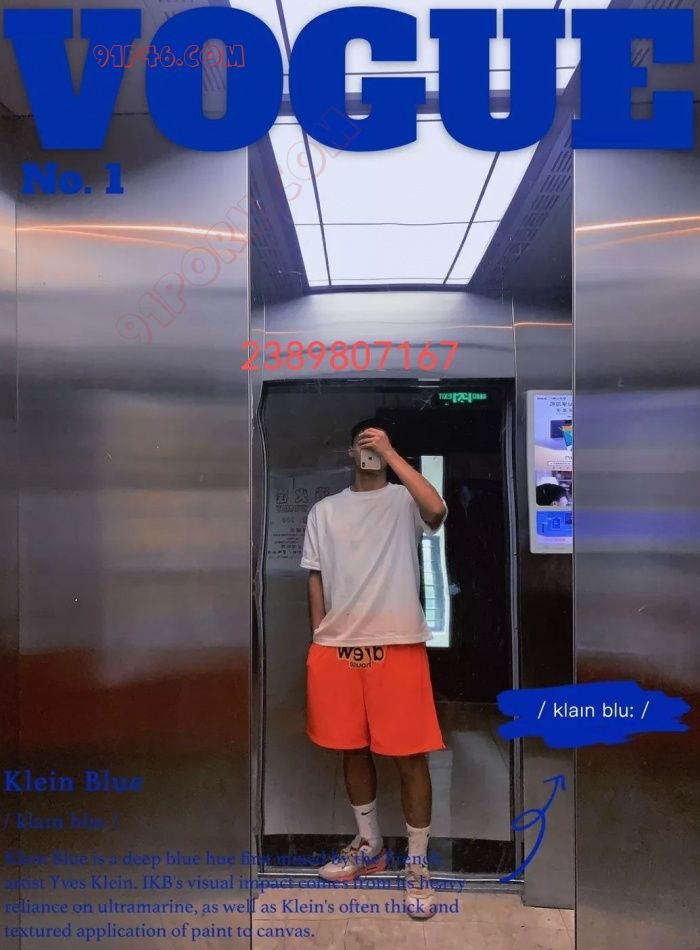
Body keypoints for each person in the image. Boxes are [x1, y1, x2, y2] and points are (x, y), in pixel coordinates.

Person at [300, 419, 448, 920]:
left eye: (378, 442)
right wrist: (319, 636)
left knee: (410, 755)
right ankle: (370, 846)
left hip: (398, 644)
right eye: (364, 442)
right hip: (338, 648)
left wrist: (393, 453)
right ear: (350, 452)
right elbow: (315, 576)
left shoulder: (405, 500)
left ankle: (418, 864)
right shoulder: (325, 511)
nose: (371, 449)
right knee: (352, 749)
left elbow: (437, 510)